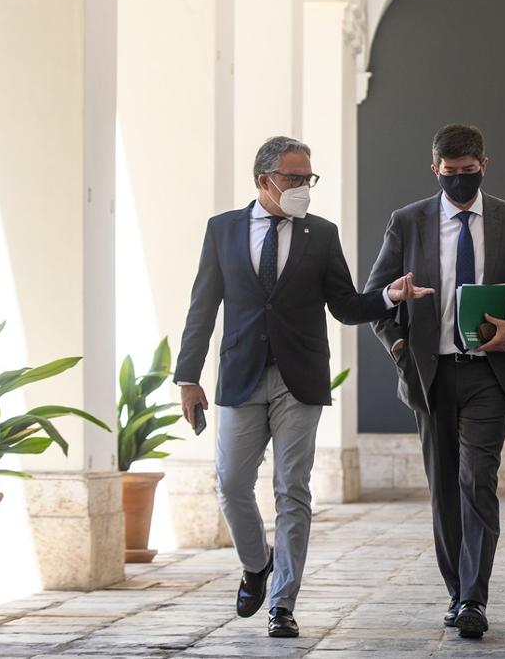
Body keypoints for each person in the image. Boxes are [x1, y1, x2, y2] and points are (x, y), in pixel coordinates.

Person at [174, 136, 432, 638]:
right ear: (263, 180)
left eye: (307, 178)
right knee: (230, 484)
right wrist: (188, 377)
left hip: (301, 380)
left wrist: (387, 295)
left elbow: (345, 305)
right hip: (240, 376)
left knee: (292, 489)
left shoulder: (321, 234)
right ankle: (257, 565)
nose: (302, 188)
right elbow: (202, 307)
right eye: (292, 178)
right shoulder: (222, 230)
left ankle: (282, 603)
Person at [364, 124, 505, 639]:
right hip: (431, 374)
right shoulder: (408, 222)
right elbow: (377, 296)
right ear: (435, 171)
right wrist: (400, 348)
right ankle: (456, 591)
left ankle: (473, 598)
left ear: (484, 166)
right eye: (450, 175)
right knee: (444, 487)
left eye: (469, 173)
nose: (460, 183)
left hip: (489, 373)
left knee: (477, 481)